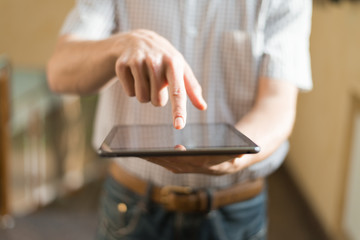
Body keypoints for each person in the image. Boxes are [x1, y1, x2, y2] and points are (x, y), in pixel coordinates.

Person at [47, 0, 313, 239]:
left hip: (236, 212)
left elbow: (277, 105)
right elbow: (60, 70)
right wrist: (120, 45)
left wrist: (236, 156)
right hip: (131, 205)